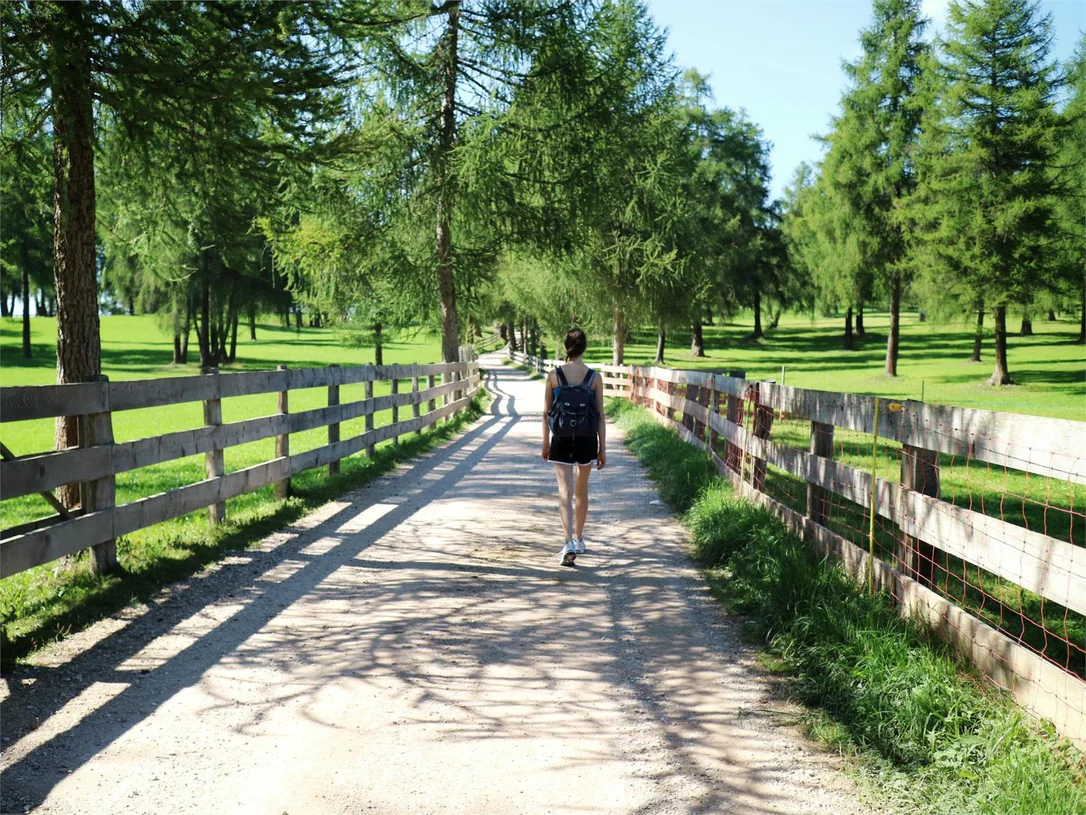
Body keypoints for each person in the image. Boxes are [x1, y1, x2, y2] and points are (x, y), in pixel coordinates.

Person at [542, 327, 606, 566]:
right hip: (587, 440)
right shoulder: (594, 377)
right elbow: (600, 415)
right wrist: (603, 449)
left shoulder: (554, 376)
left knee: (564, 492)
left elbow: (546, 413)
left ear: (566, 346)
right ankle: (579, 538)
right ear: (584, 347)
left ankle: (567, 541)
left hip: (561, 438)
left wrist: (545, 443)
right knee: (582, 491)